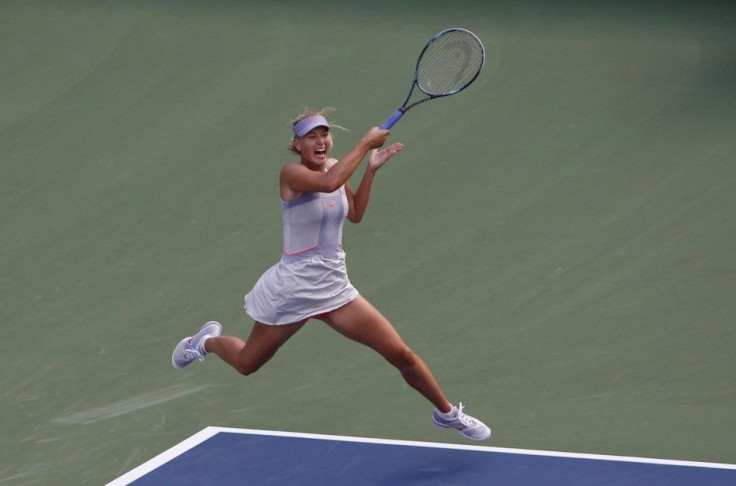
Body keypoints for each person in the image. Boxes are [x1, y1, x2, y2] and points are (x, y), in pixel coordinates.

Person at [172, 108, 490, 441]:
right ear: (297, 144)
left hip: (335, 290)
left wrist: (370, 170)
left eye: (324, 134)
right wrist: (366, 142)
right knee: (247, 364)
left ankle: (447, 413)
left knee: (401, 354)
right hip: (292, 292)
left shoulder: (336, 166)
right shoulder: (291, 175)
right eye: (311, 136)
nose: (321, 141)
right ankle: (205, 341)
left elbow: (355, 214)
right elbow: (328, 183)